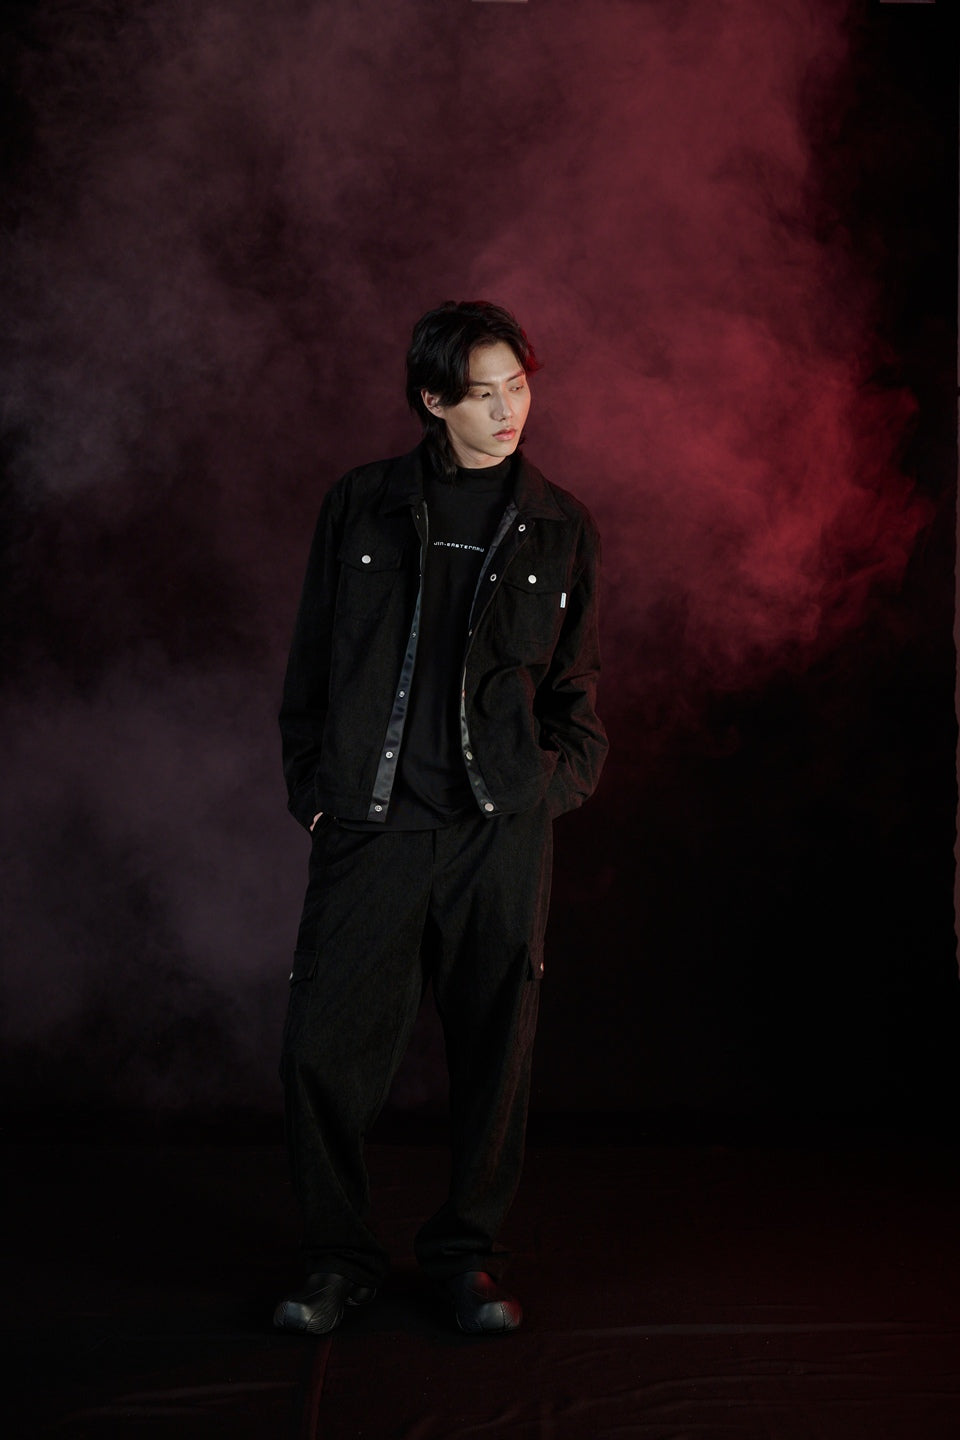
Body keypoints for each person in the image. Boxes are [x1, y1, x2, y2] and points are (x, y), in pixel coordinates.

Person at [274, 301, 607, 1336]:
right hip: (373, 824)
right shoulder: (361, 504)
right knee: (322, 1054)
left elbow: (577, 693)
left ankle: (466, 1261)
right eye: (482, 393)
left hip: (496, 833)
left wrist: (545, 790)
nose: (509, 412)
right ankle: (338, 1260)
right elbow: (311, 664)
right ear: (432, 400)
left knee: (494, 1055)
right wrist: (315, 792)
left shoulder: (561, 524)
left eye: (519, 386)